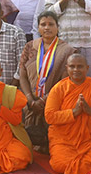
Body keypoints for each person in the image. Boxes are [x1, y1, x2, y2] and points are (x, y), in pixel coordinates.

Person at [17, 11, 73, 152]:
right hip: (31, 101)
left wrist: (43, 101)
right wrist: (30, 99)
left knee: (53, 147)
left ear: (57, 27)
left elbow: (65, 81)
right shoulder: (30, 46)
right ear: (38, 28)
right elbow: (22, 74)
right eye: (43, 24)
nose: (47, 28)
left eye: (51, 24)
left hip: (54, 101)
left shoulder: (67, 50)